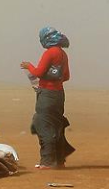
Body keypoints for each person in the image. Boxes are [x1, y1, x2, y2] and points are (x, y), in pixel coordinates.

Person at [20, 26, 75, 169]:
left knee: (44, 125)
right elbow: (66, 76)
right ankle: (59, 161)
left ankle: (48, 162)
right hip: (59, 95)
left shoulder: (50, 53)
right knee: (56, 126)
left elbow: (38, 72)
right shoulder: (63, 54)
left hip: (47, 95)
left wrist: (28, 66)